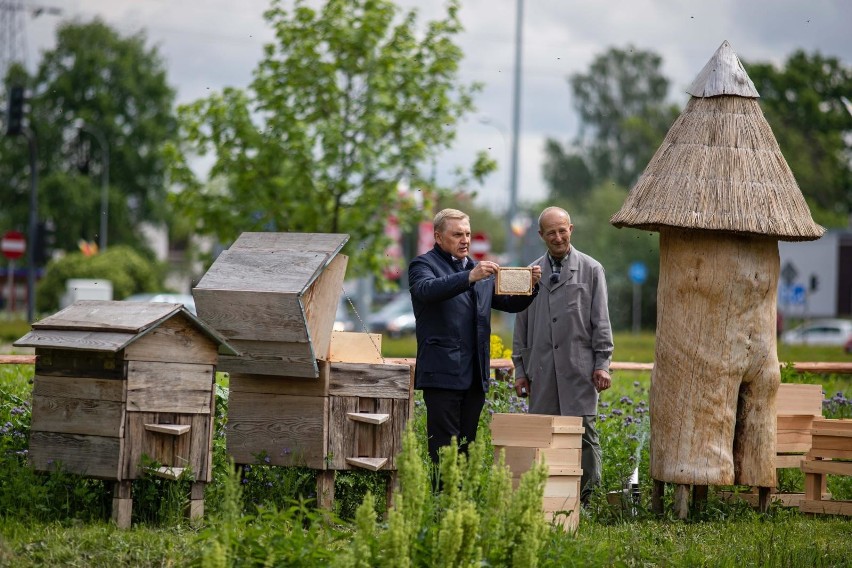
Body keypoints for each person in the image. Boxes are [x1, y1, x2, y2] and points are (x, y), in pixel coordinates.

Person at [409, 208, 542, 464]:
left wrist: (531, 287)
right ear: (438, 237)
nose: (465, 240)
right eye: (457, 234)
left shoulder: (475, 268)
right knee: (443, 451)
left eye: (468, 234)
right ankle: (442, 502)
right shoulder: (423, 264)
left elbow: (508, 303)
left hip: (474, 376)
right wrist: (469, 277)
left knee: (466, 450)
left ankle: (463, 503)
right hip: (443, 375)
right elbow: (426, 290)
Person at [512, 206, 613, 504]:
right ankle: (546, 499)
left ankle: (587, 501)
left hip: (579, 368)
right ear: (541, 235)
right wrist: (520, 370)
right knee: (544, 435)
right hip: (540, 369)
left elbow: (602, 321)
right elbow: (521, 326)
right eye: (551, 232)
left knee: (583, 434)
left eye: (562, 230)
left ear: (571, 229)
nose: (558, 237)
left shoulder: (592, 269)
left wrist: (602, 364)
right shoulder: (529, 273)